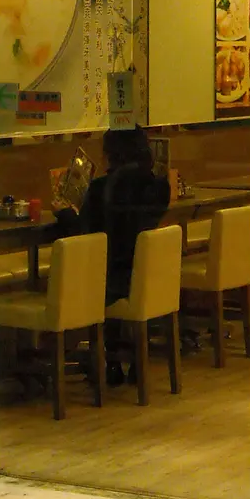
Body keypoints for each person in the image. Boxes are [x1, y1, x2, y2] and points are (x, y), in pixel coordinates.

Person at [55, 126, 171, 384]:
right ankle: (126, 360)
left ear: (110, 152)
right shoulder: (160, 186)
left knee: (93, 270)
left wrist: (64, 212)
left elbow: (86, 237)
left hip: (112, 281)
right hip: (147, 277)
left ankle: (111, 362)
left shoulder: (101, 188)